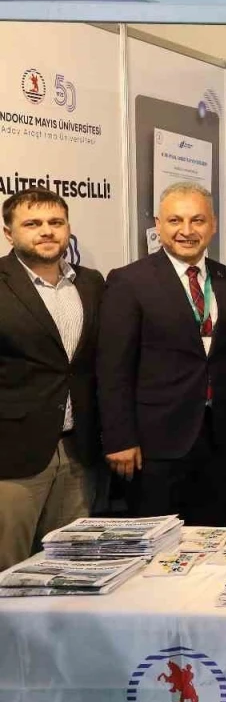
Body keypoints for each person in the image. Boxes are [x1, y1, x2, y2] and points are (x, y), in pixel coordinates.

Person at [98, 182, 226, 525]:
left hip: (220, 438)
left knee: (212, 538)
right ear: (158, 225)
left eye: (197, 220)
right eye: (175, 220)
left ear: (213, 224)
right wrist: (119, 438)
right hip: (155, 444)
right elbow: (113, 368)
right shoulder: (129, 281)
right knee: (156, 542)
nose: (187, 231)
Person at [0, 189, 104, 572]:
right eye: (33, 223)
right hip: (13, 457)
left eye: (55, 222)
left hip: (79, 452)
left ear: (67, 229)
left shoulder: (91, 283)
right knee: (8, 569)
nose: (46, 231)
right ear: (9, 233)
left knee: (70, 568)